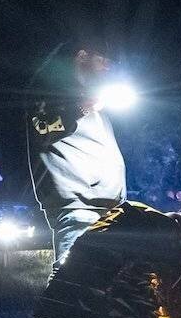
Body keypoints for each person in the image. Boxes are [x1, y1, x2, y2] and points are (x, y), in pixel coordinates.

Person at [27, 44, 127, 278]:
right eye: (103, 59)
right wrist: (82, 107)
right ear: (82, 56)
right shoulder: (51, 90)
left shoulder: (96, 98)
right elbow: (41, 130)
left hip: (109, 207)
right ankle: (56, 314)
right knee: (72, 280)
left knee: (102, 282)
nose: (108, 66)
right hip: (78, 206)